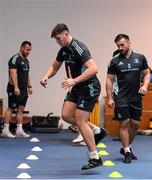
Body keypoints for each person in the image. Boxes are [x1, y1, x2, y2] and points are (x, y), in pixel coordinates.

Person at [40, 23, 106, 170]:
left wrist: (74, 80)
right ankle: (96, 130)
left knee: (81, 121)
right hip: (77, 87)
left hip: (89, 86)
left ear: (66, 34)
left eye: (58, 38)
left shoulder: (78, 47)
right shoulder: (63, 50)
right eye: (56, 39)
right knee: (66, 115)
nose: (58, 41)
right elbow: (54, 66)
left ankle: (94, 156)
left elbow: (94, 68)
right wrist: (46, 76)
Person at [106, 34, 150, 163]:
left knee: (135, 124)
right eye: (118, 45)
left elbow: (147, 73)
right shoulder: (114, 61)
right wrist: (109, 97)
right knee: (124, 124)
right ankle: (126, 151)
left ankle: (128, 147)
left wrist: (145, 85)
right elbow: (109, 79)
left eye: (122, 45)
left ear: (129, 43)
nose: (120, 47)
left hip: (136, 97)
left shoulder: (140, 58)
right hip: (121, 97)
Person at [1, 41, 32, 138]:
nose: (28, 52)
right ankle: (5, 130)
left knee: (21, 109)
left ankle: (19, 130)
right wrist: (16, 87)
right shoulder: (14, 59)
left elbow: (27, 75)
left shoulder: (26, 61)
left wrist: (29, 86)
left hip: (23, 90)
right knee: (11, 108)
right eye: (27, 50)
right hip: (14, 89)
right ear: (22, 48)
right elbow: (13, 74)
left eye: (30, 50)